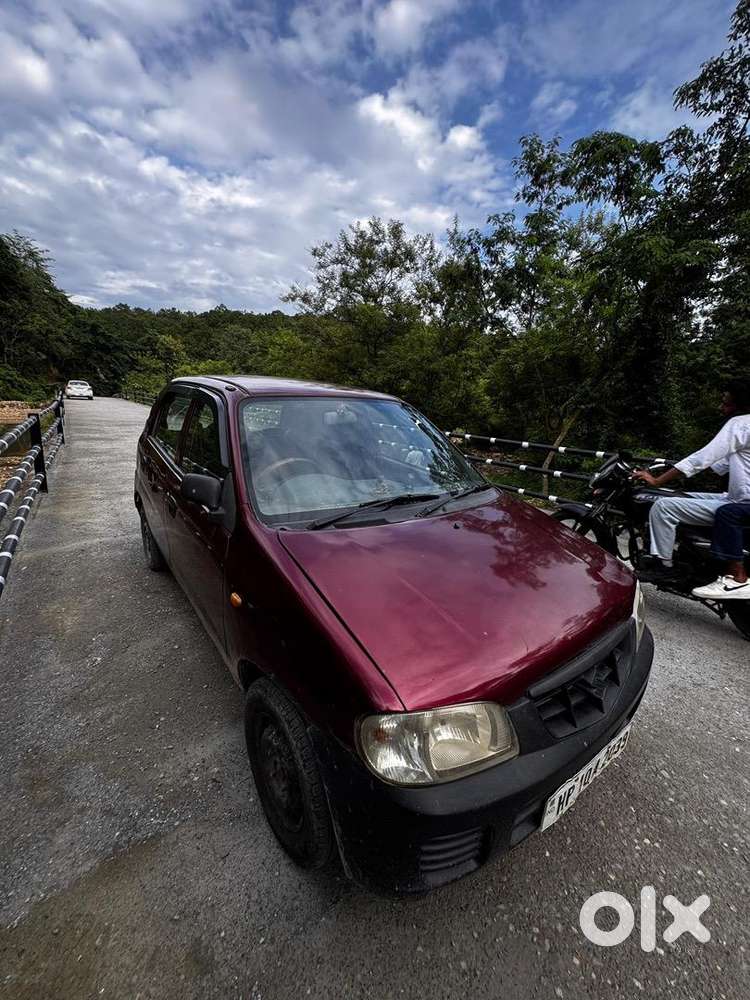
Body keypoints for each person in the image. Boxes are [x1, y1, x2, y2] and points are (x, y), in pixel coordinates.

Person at [632, 378, 750, 596]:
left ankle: (663, 567)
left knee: (663, 507)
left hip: (741, 502)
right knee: (683, 496)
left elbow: (702, 459)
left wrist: (657, 480)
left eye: (726, 402)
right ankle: (690, 551)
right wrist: (674, 465)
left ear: (740, 404)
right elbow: (720, 466)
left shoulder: (741, 424)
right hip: (735, 497)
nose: (721, 407)